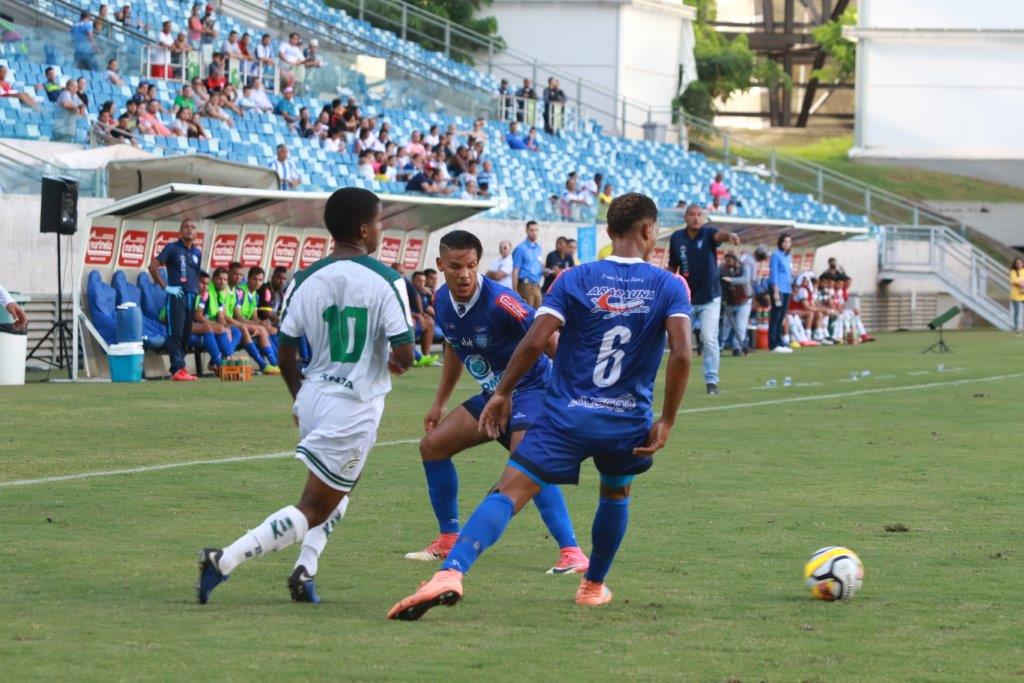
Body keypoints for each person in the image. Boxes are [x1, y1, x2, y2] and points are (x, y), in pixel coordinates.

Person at [387, 193, 693, 620]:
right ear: (649, 231)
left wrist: (501, 391)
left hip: (565, 413)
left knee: (513, 487)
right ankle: (592, 585)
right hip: (626, 419)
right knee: (615, 493)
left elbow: (534, 341)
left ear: (609, 232)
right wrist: (667, 420)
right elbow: (681, 354)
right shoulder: (670, 285)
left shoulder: (572, 278)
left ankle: (451, 572)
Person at [196, 188, 416, 605]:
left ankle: (305, 569)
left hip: (314, 395)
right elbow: (404, 352)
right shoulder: (387, 280)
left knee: (342, 488)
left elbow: (286, 348)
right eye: (381, 222)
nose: (383, 230)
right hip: (354, 405)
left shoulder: (303, 278)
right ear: (365, 228)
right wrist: (396, 360)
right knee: (314, 505)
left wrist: (298, 397)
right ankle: (223, 559)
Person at [404, 230, 589, 573]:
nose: (465, 274)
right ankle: (447, 538)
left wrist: (574, 390)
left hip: (533, 389)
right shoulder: (442, 300)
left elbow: (548, 336)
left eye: (472, 265)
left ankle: (572, 553)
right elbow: (454, 349)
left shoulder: (501, 301)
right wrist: (439, 402)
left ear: (479, 264)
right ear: (440, 265)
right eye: (456, 266)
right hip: (495, 395)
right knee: (432, 446)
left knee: (527, 463)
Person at [666, 204, 739, 394]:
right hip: (686, 298)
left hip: (710, 298)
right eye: (692, 214)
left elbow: (720, 235)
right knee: (680, 342)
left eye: (699, 215)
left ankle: (711, 381)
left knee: (709, 339)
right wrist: (665, 285)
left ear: (704, 218)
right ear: (685, 217)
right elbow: (673, 266)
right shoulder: (677, 238)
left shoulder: (708, 234)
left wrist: (729, 235)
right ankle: (676, 381)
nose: (695, 218)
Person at [148, 219, 202, 381]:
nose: (189, 230)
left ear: (196, 233)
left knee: (186, 334)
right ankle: (176, 369)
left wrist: (197, 293)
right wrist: (165, 287)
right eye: (186, 227)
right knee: (175, 332)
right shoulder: (172, 248)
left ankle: (181, 367)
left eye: (193, 227)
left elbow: (196, 275)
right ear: (180, 230)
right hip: (176, 296)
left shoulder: (197, 253)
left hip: (191, 297)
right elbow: (152, 266)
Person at [719, 252, 752, 356]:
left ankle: (737, 347)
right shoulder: (722, 268)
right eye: (726, 260)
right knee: (726, 325)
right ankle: (720, 345)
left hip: (744, 301)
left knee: (740, 325)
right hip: (730, 301)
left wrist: (731, 280)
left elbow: (745, 279)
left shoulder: (744, 267)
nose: (728, 263)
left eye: (729, 260)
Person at [768, 233, 794, 353]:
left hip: (787, 288)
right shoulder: (776, 255)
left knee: (782, 316)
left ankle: (779, 341)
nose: (787, 244)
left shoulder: (788, 256)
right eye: (785, 242)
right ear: (780, 242)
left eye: (789, 242)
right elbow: (774, 274)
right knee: (776, 316)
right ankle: (773, 343)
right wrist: (775, 291)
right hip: (778, 289)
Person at [511, 221, 544, 308]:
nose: (534, 233)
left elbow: (539, 265)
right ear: (526, 230)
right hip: (525, 286)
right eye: (532, 230)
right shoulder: (521, 249)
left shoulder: (538, 248)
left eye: (536, 230)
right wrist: (514, 290)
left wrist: (545, 271)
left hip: (537, 285)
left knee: (538, 316)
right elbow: (515, 270)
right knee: (526, 316)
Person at [1012, 258, 1024, 335]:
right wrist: (1022, 285)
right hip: (1016, 295)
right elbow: (1014, 282)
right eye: (1017, 263)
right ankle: (1017, 329)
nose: (1019, 264)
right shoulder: (1013, 272)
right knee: (1017, 312)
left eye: (1020, 263)